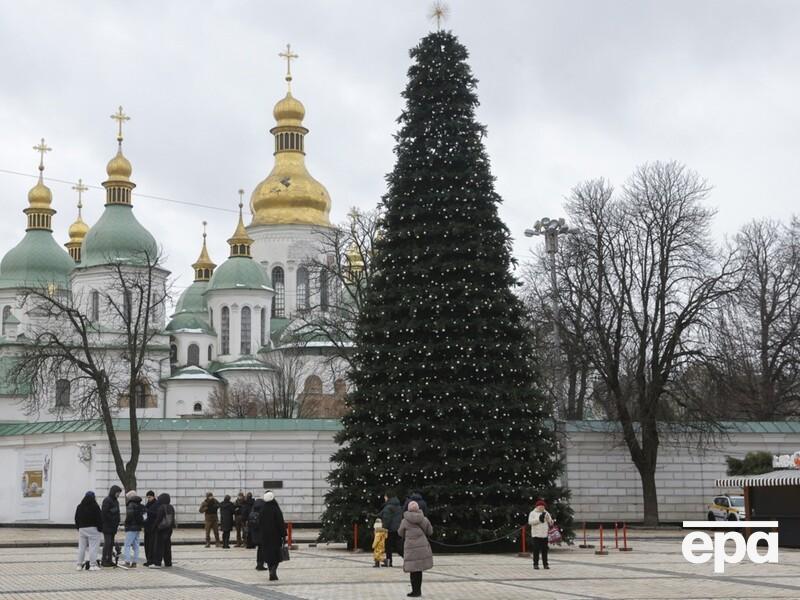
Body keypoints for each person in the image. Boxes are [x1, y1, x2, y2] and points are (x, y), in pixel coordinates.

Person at [398, 501, 433, 598]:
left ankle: (414, 591)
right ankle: (418, 591)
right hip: (422, 547)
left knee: (413, 570)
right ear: (418, 508)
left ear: (408, 509)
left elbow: (400, 533)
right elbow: (430, 531)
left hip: (410, 548)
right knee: (419, 570)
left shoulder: (405, 521)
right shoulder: (424, 519)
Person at [258, 491, 286, 581]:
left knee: (268, 555)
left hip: (265, 536)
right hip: (275, 536)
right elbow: (280, 523)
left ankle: (271, 570)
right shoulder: (276, 509)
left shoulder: (262, 509)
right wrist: (283, 534)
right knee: (276, 554)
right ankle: (273, 570)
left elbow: (259, 523)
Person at [74, 491, 103, 571]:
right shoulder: (95, 506)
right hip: (93, 529)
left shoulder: (79, 506)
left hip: (82, 529)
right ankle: (92, 565)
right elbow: (99, 519)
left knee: (81, 547)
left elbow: (76, 518)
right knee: (93, 547)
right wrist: (100, 529)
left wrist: (78, 527)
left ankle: (79, 565)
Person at [150, 492, 175, 568]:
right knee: (167, 546)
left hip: (161, 530)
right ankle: (168, 562)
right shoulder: (171, 507)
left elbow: (158, 519)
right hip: (169, 529)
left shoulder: (161, 507)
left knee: (159, 546)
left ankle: (157, 563)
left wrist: (153, 528)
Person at [121, 490, 145, 568]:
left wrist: (126, 523)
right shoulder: (140, 504)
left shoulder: (131, 504)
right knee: (136, 545)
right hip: (138, 527)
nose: (127, 499)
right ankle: (135, 562)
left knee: (127, 545)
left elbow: (129, 517)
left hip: (131, 527)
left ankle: (127, 561)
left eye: (127, 497)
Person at [100, 485, 122, 567]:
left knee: (111, 543)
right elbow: (104, 513)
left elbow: (117, 512)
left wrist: (117, 521)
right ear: (114, 492)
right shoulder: (107, 500)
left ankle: (109, 560)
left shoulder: (116, 501)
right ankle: (104, 560)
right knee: (107, 543)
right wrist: (112, 517)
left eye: (119, 493)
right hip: (107, 525)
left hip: (113, 526)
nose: (118, 494)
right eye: (117, 493)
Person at [528, 499, 554, 570]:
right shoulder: (533, 513)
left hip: (544, 535)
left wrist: (549, 520)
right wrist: (539, 519)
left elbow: (551, 523)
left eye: (543, 506)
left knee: (544, 550)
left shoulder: (546, 513)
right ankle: (535, 564)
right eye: (540, 506)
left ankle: (545, 564)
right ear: (537, 506)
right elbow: (530, 522)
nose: (541, 508)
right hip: (536, 535)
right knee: (536, 550)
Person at [379, 493, 403, 566]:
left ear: (388, 497)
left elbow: (386, 519)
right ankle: (408, 558)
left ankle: (389, 562)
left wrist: (383, 528)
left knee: (388, 546)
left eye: (385, 497)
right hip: (398, 528)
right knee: (398, 546)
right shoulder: (398, 506)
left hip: (390, 529)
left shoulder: (388, 507)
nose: (384, 498)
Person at [143, 491, 159, 566]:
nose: (148, 499)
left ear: (153, 496)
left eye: (150, 497)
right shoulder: (147, 504)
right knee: (147, 544)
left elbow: (156, 514)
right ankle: (148, 559)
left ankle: (151, 560)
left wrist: (148, 511)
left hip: (153, 528)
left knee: (151, 544)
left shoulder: (156, 504)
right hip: (147, 527)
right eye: (147, 497)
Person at [250, 493, 267, 568]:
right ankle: (260, 564)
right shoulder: (262, 513)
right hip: (262, 535)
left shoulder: (252, 513)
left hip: (255, 535)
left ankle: (258, 564)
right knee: (262, 550)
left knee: (259, 550)